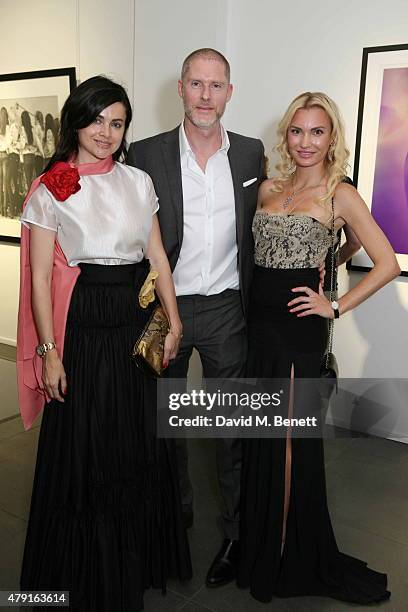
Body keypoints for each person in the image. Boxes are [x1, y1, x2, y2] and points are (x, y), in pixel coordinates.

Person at [17, 75, 191, 611]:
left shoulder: (139, 181)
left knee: (135, 440)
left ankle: (132, 559)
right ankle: (85, 568)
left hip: (134, 320)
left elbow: (157, 257)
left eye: (116, 123)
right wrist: (50, 353)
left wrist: (175, 321)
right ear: (77, 119)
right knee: (89, 442)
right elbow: (41, 279)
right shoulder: (53, 187)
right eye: (97, 120)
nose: (106, 132)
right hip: (86, 323)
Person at [238, 91, 399, 604]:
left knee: (289, 445)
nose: (306, 142)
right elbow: (325, 247)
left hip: (298, 335)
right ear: (286, 135)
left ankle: (289, 556)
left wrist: (335, 304)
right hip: (257, 330)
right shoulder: (267, 188)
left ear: (333, 139)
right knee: (263, 441)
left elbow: (387, 261)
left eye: (318, 132)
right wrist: (333, 253)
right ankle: (263, 544)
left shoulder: (340, 193)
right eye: (297, 131)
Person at [128, 48, 266, 588]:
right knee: (164, 426)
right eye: (197, 84)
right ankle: (174, 514)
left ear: (230, 91)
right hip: (167, 308)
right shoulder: (145, 153)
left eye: (217, 85)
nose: (206, 96)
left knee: (231, 429)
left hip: (228, 308)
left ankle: (235, 534)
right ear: (180, 88)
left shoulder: (253, 155)